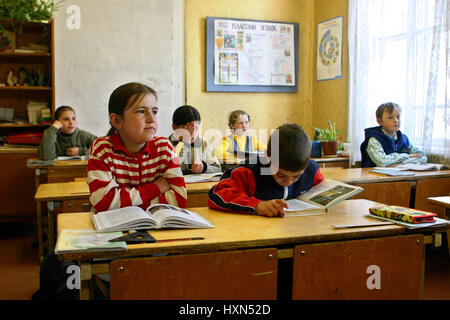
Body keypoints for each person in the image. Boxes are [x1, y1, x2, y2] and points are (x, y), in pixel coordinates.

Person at [87, 82, 187, 212]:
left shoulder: (165, 148)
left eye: (154, 111)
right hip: (113, 228)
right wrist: (155, 188)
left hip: (158, 227)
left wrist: (123, 201)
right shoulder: (102, 149)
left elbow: (179, 199)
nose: (152, 119)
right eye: (141, 111)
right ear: (117, 120)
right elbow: (104, 202)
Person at [208, 123, 323, 217]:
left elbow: (321, 188)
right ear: (267, 157)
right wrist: (256, 205)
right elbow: (217, 195)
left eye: (296, 177)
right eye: (281, 175)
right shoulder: (247, 173)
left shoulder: (312, 171)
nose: (288, 182)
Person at [360, 102, 427, 167]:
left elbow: (422, 157)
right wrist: (407, 156)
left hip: (400, 175)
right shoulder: (374, 139)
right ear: (380, 121)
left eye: (398, 117)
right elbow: (382, 162)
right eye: (390, 117)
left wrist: (402, 163)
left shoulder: (404, 138)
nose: (396, 120)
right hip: (374, 176)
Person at [168, 105, 221, 175]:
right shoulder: (166, 144)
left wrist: (204, 167)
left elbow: (218, 169)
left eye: (195, 128)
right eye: (186, 129)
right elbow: (168, 169)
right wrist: (183, 144)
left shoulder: (204, 143)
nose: (192, 134)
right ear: (174, 127)